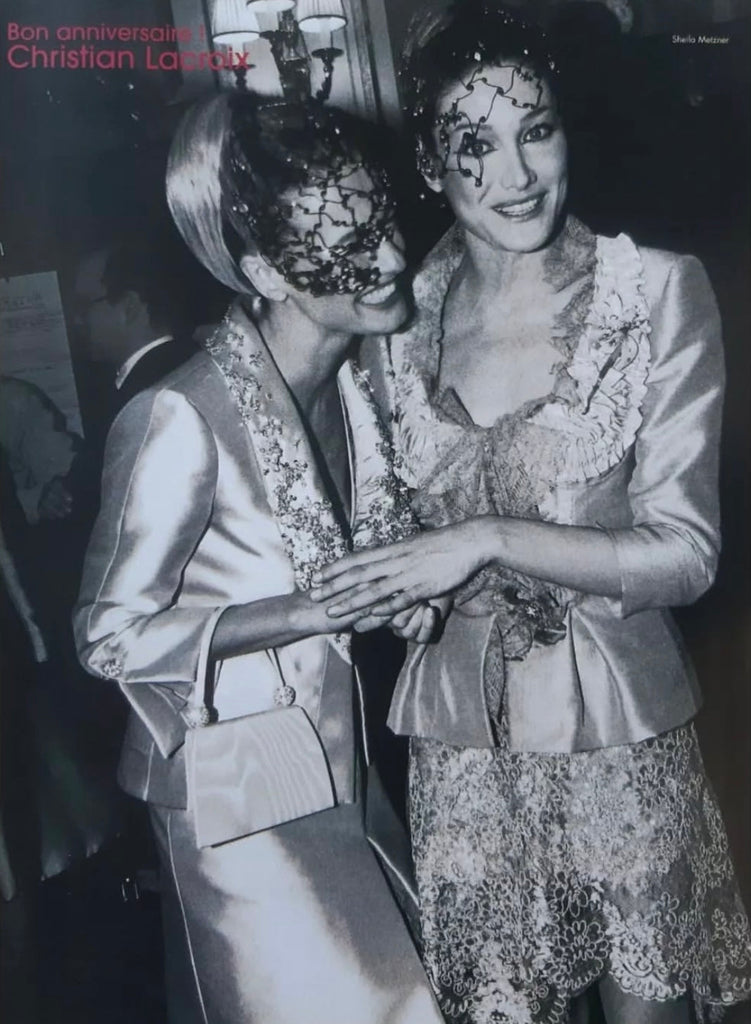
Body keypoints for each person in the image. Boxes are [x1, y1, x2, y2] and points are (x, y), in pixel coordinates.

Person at [310, 4, 751, 1022]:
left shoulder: (652, 293)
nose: (514, 174)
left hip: (616, 737)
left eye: (535, 130)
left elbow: (686, 554)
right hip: (461, 750)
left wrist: (485, 539)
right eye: (475, 144)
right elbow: (386, 532)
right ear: (431, 163)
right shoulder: (390, 325)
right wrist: (404, 593)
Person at [73, 91, 443, 1024]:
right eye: (346, 245)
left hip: (344, 771)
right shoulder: (178, 415)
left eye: (383, 224)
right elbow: (107, 637)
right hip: (235, 794)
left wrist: (406, 597)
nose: (389, 259)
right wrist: (303, 612)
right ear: (264, 272)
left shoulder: (359, 386)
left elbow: (363, 570)